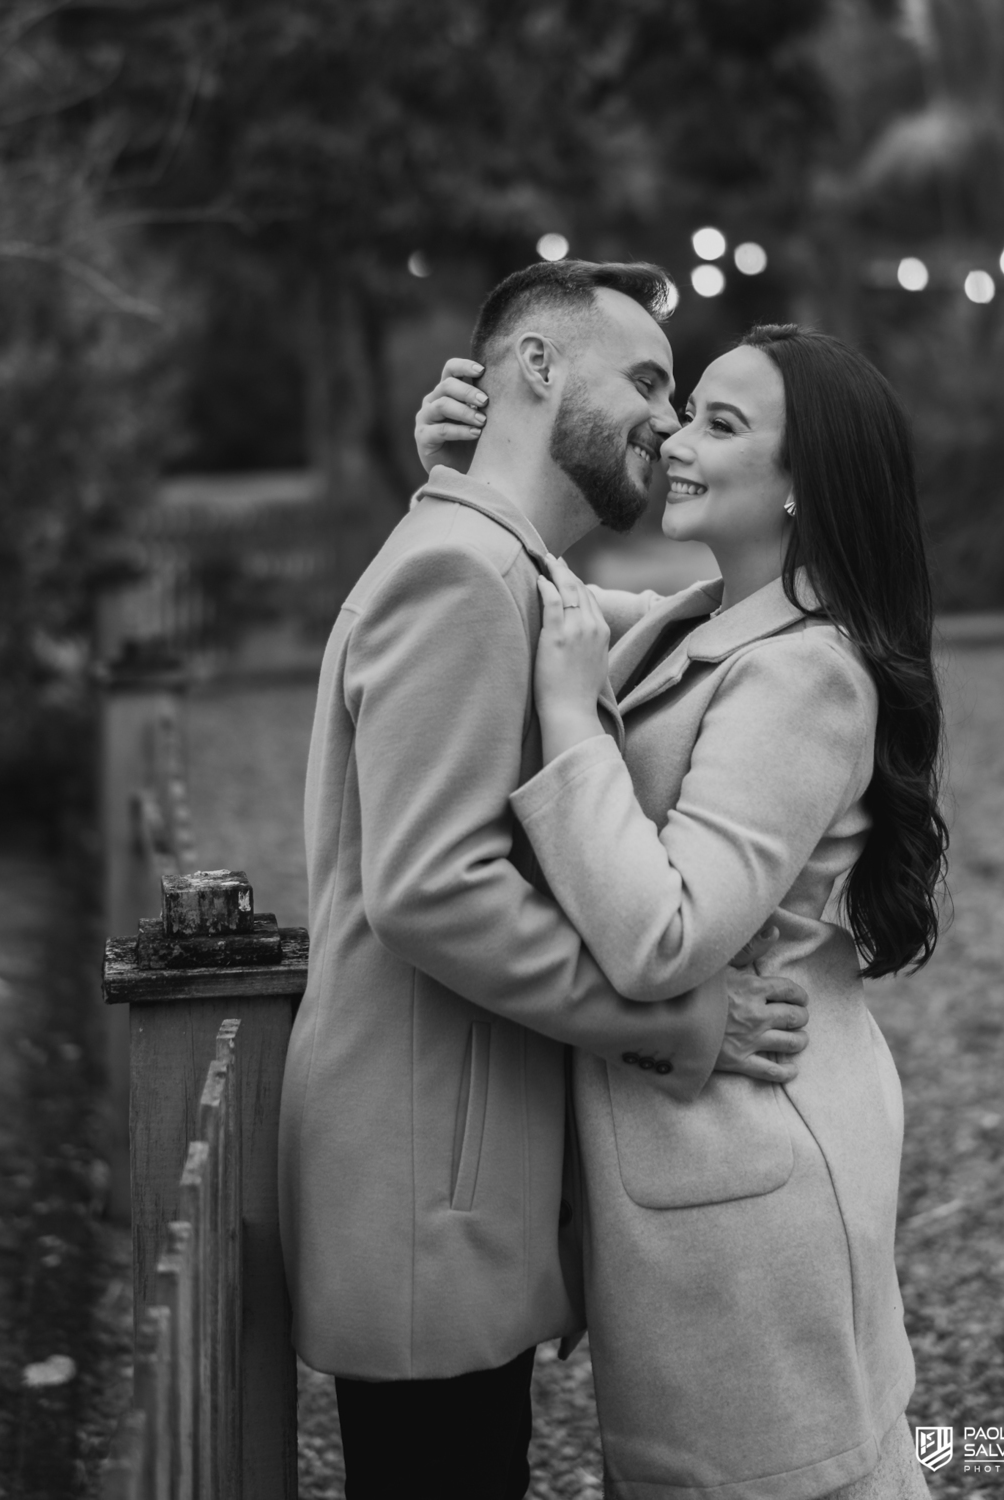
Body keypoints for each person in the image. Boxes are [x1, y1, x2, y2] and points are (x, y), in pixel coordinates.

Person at [277, 261, 810, 1500]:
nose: (667, 422)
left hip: (452, 1177)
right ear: (535, 366)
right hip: (428, 1189)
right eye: (649, 382)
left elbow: (679, 626)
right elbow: (431, 890)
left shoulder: (505, 564)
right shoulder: (462, 573)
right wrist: (683, 1018)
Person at [414, 322, 948, 1498]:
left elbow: (666, 939)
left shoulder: (806, 673)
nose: (674, 438)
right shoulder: (705, 616)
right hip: (709, 1158)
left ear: (802, 484)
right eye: (687, 409)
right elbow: (524, 593)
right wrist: (468, 473)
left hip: (749, 1175)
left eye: (721, 423)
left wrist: (571, 722)